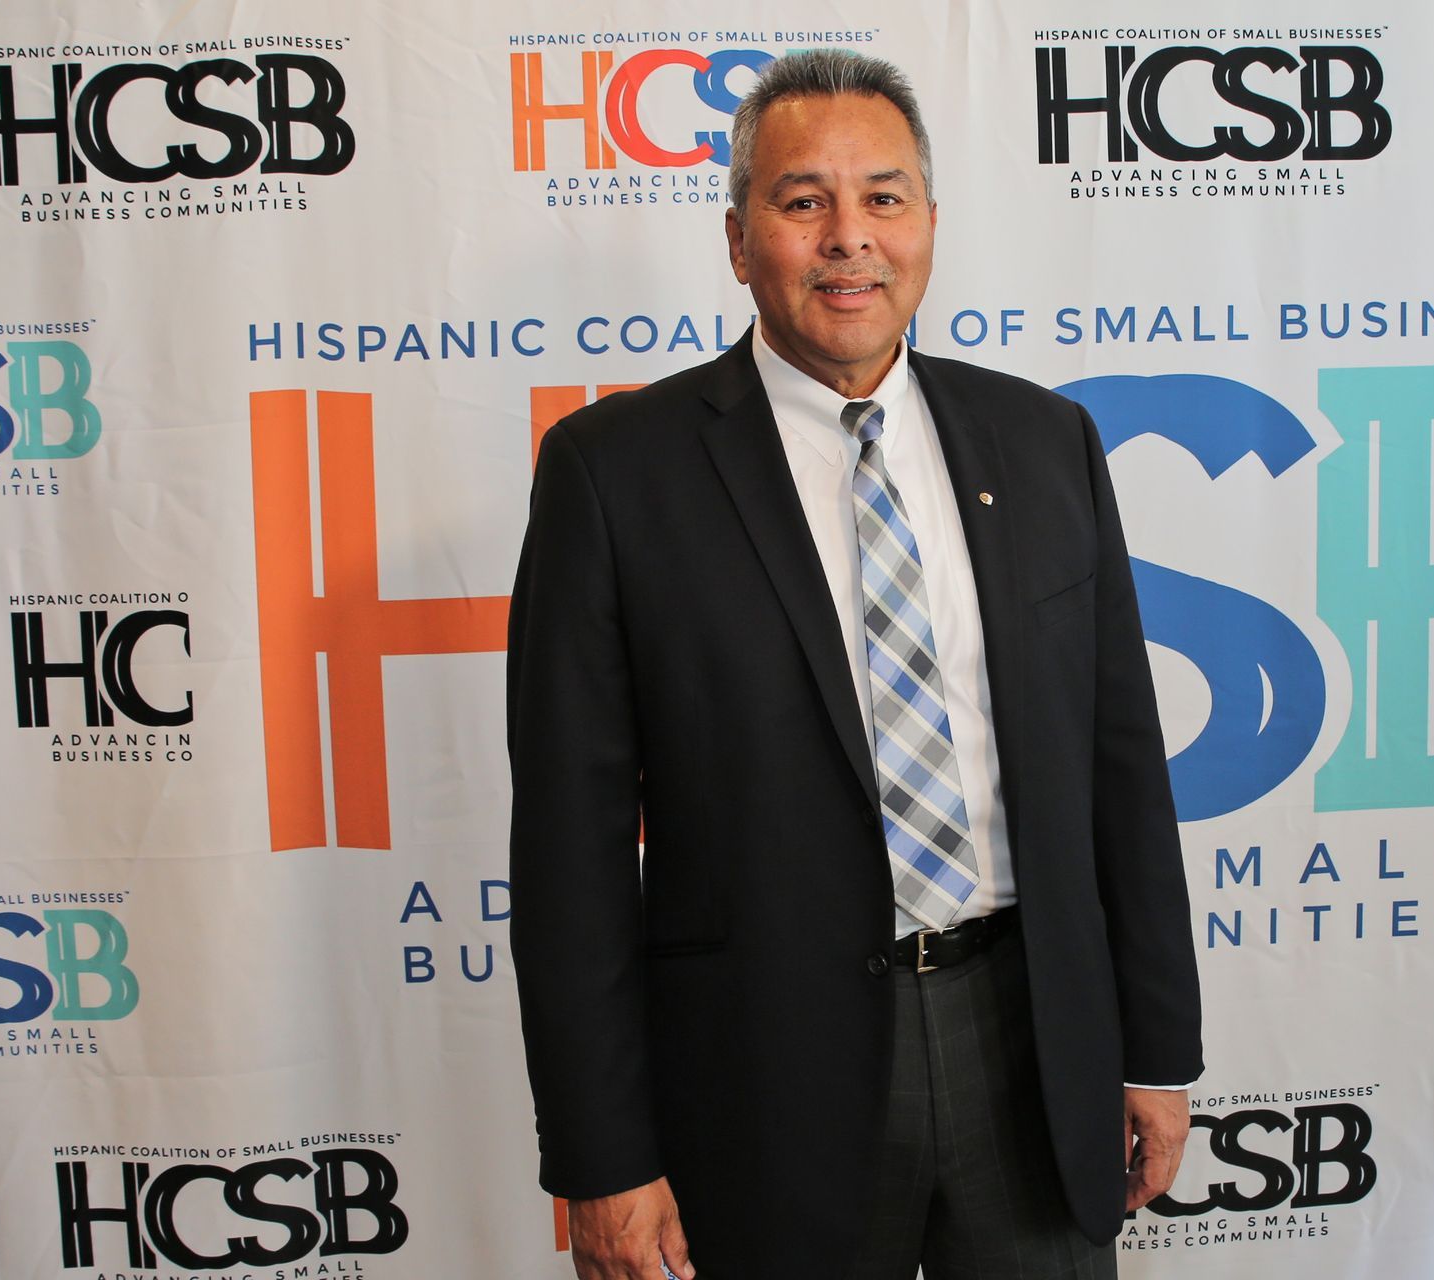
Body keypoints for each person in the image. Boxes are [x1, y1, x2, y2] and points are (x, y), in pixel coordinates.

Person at [509, 49, 1201, 1280]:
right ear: (737, 239)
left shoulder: (1046, 440)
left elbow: (1119, 762)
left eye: (883, 197)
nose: (850, 239)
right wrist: (602, 1157)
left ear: (929, 224)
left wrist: (1155, 1048)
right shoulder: (616, 474)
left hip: (1031, 1045)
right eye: (802, 200)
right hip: (767, 1073)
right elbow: (569, 849)